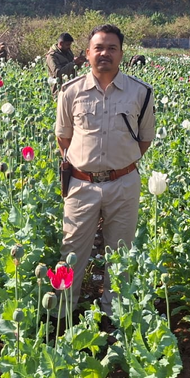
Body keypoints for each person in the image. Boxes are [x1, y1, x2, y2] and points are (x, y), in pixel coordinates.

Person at [55, 24, 155, 316]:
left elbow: (145, 139)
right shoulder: (70, 91)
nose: (105, 53)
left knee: (121, 252)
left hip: (124, 183)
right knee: (71, 250)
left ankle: (115, 313)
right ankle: (62, 314)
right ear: (87, 53)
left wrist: (118, 165)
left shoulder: (141, 92)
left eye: (112, 48)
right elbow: (63, 138)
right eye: (98, 48)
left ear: (121, 54)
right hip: (81, 184)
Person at [45, 32, 86, 96]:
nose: (69, 47)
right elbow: (58, 73)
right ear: (61, 43)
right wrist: (74, 63)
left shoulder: (67, 51)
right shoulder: (52, 56)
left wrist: (79, 62)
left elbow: (73, 70)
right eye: (67, 45)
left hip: (72, 87)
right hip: (60, 91)